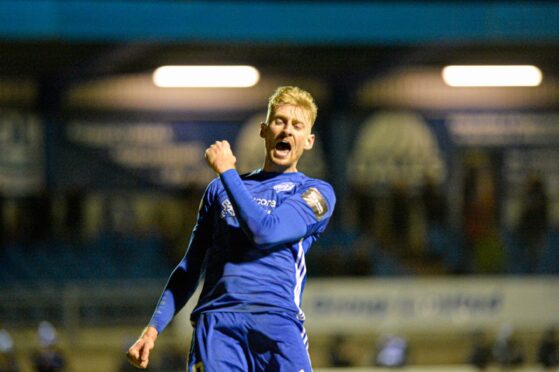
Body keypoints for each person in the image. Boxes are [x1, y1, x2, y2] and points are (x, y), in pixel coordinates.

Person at [127, 86, 336, 371]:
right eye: (280, 121)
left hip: (277, 324)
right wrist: (152, 329)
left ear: (308, 140)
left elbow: (267, 232)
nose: (287, 131)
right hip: (217, 325)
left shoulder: (315, 191)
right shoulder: (219, 190)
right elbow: (190, 267)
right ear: (264, 130)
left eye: (297, 125)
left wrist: (227, 172)